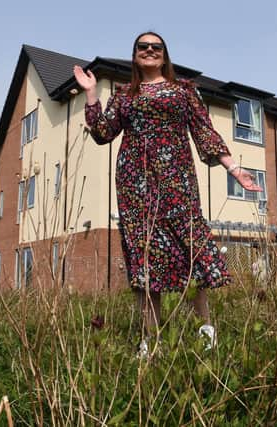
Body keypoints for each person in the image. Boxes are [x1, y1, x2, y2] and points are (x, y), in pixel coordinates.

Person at [73, 32, 261, 354]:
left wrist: (233, 168)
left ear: (164, 54)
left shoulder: (183, 90)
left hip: (177, 180)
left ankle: (205, 331)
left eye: (155, 47)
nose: (149, 51)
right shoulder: (123, 95)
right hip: (135, 184)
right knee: (144, 255)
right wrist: (91, 94)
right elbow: (103, 133)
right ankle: (151, 340)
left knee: (192, 249)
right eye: (142, 47)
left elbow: (203, 130)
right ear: (135, 56)